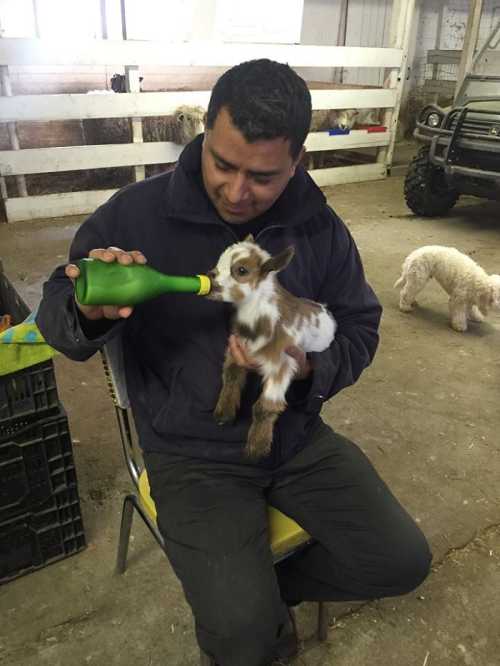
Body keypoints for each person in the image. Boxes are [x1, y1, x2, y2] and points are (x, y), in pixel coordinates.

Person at [36, 59, 431, 666]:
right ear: (204, 135)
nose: (237, 191)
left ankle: (269, 597)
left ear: (296, 160)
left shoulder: (317, 228)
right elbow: (58, 317)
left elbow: (360, 327)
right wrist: (89, 314)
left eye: (263, 175)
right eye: (223, 164)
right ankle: (252, 620)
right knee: (243, 642)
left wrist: (308, 372)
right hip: (192, 456)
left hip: (296, 437)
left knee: (401, 561)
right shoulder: (134, 216)